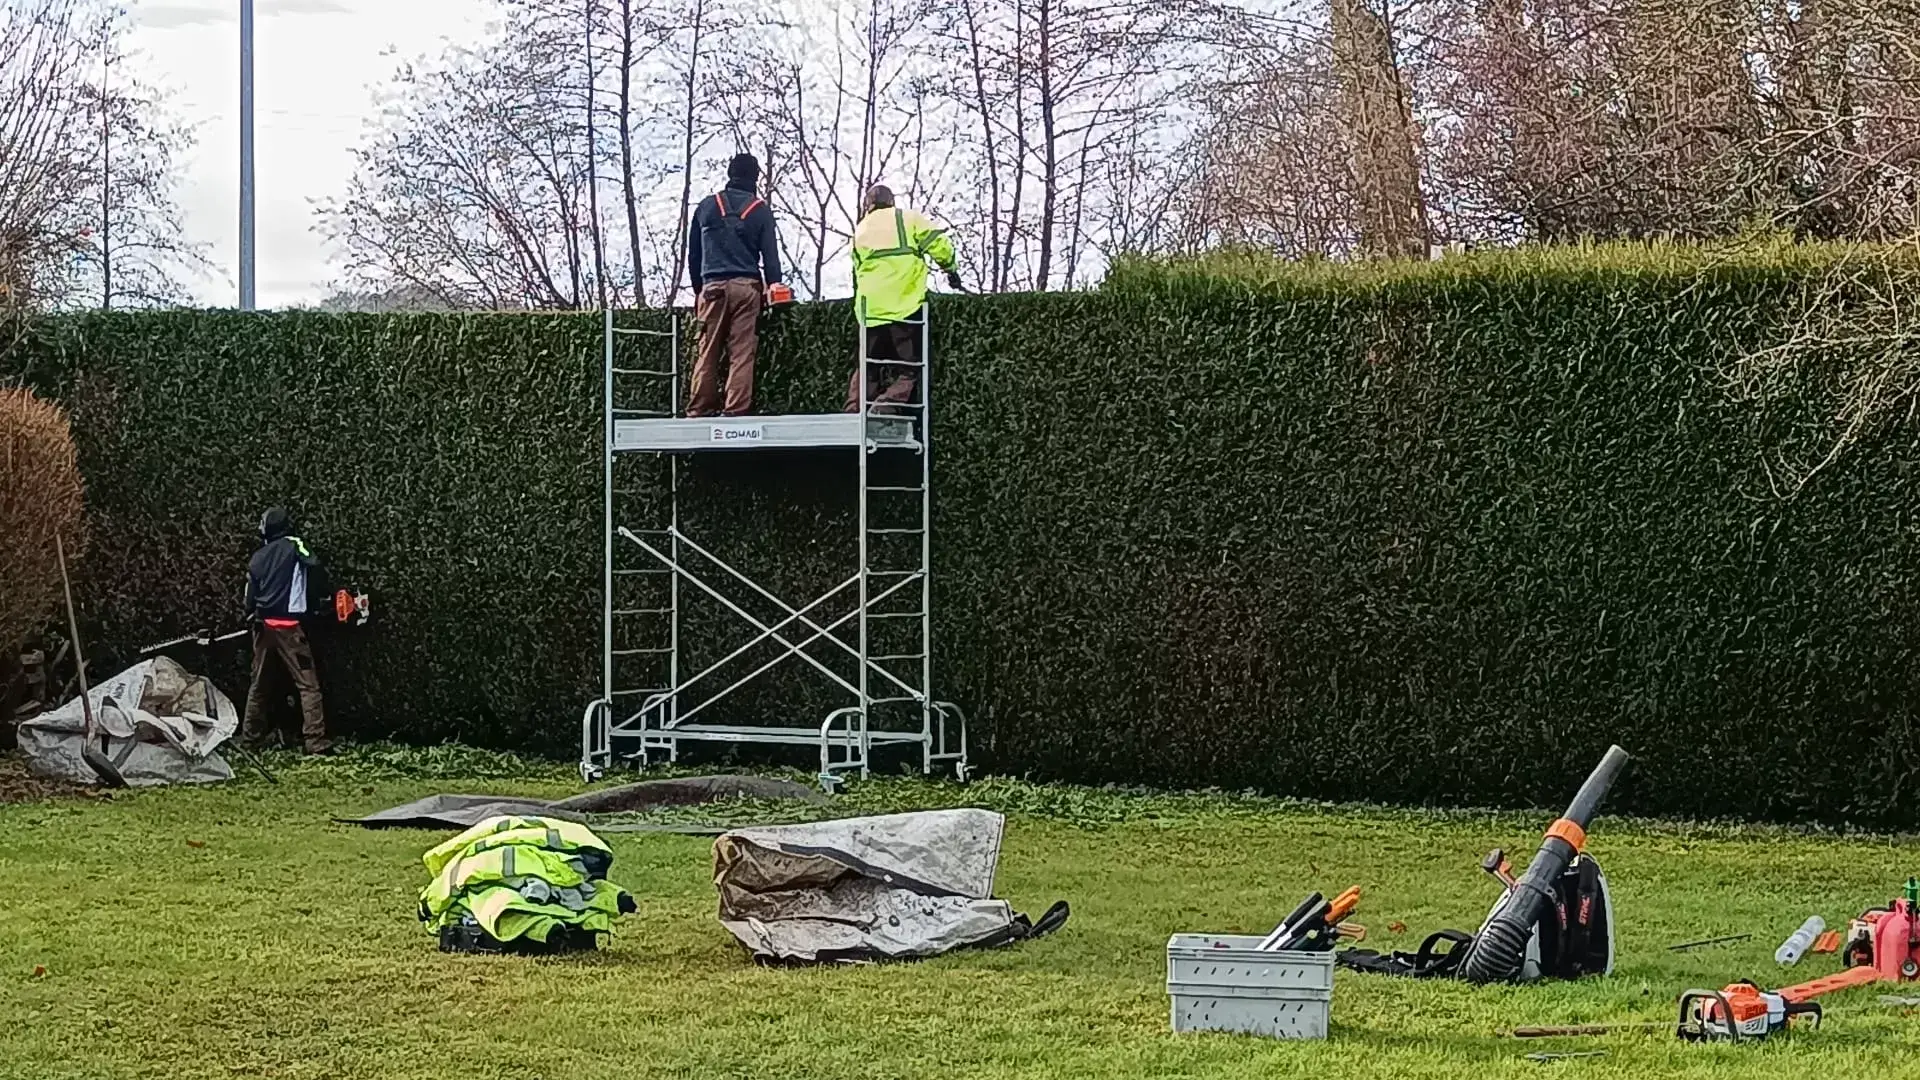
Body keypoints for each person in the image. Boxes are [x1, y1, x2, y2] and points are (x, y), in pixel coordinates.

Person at [844, 184, 959, 414]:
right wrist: (951, 269)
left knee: (868, 366)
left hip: (871, 310)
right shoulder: (907, 219)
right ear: (892, 202)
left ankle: (854, 408)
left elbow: (857, 271)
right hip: (904, 304)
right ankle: (887, 404)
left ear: (869, 206)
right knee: (910, 367)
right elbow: (939, 244)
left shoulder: (860, 230)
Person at [686, 153, 784, 417]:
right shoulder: (760, 210)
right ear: (755, 178)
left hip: (712, 287)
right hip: (746, 288)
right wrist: (774, 285)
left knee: (707, 349)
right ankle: (735, 410)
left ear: (730, 174)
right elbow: (770, 258)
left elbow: (693, 254)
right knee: (741, 352)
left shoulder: (706, 207)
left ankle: (699, 408)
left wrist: (699, 290)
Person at [241, 507, 332, 755]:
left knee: (259, 686)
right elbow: (314, 564)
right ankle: (316, 742)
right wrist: (321, 600)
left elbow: (249, 596)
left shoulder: (257, 557)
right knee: (308, 686)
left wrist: (252, 614)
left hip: (261, 627)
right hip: (289, 628)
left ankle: (249, 742)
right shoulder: (295, 544)